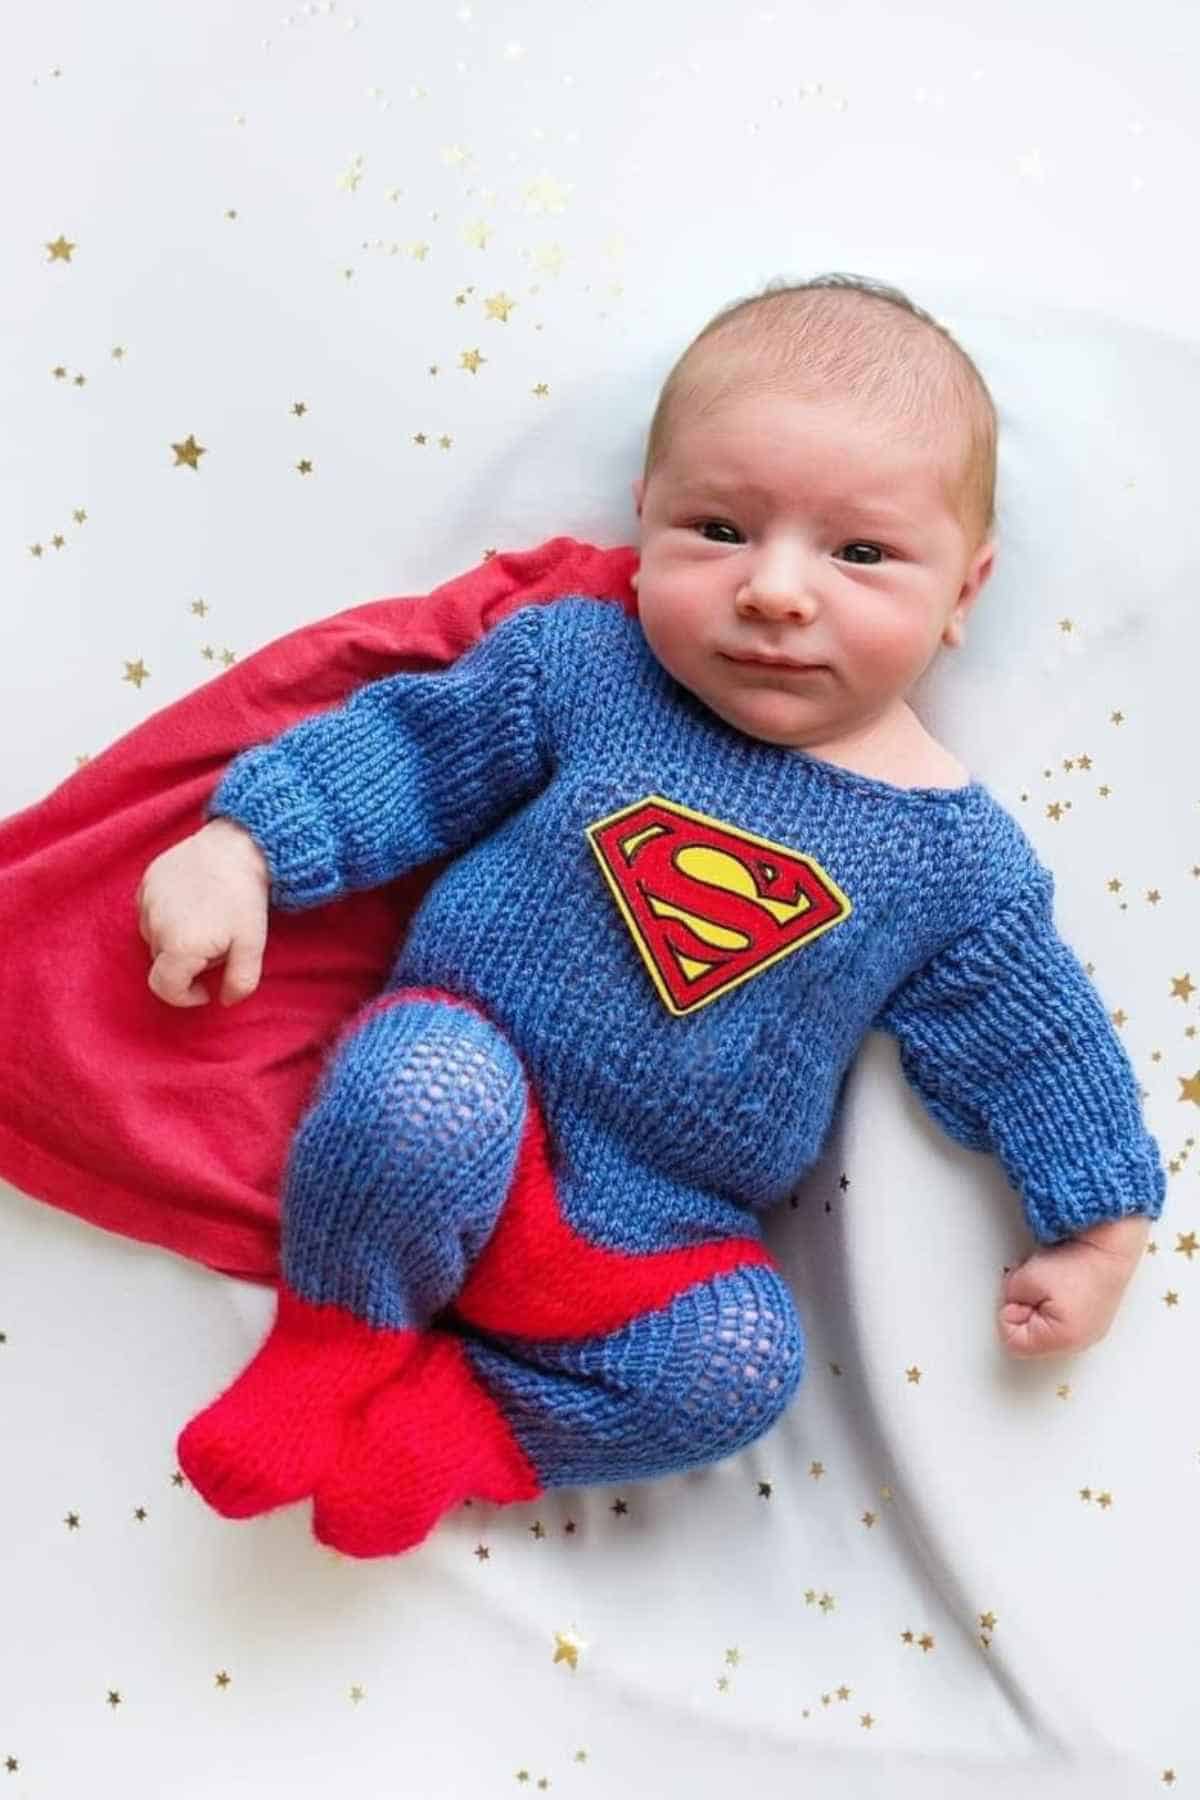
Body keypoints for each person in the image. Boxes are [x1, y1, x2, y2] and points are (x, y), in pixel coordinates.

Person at [136, 273, 1166, 1560]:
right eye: (720, 529)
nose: (778, 591)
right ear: (646, 518)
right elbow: (412, 753)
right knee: (415, 1083)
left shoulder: (956, 863)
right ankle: (334, 1339)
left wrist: (1098, 1227)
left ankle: (463, 1426)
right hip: (478, 1103)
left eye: (859, 554)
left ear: (965, 590)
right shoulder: (583, 669)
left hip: (652, 1234)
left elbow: (1038, 1047)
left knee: (742, 1367)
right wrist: (247, 847)